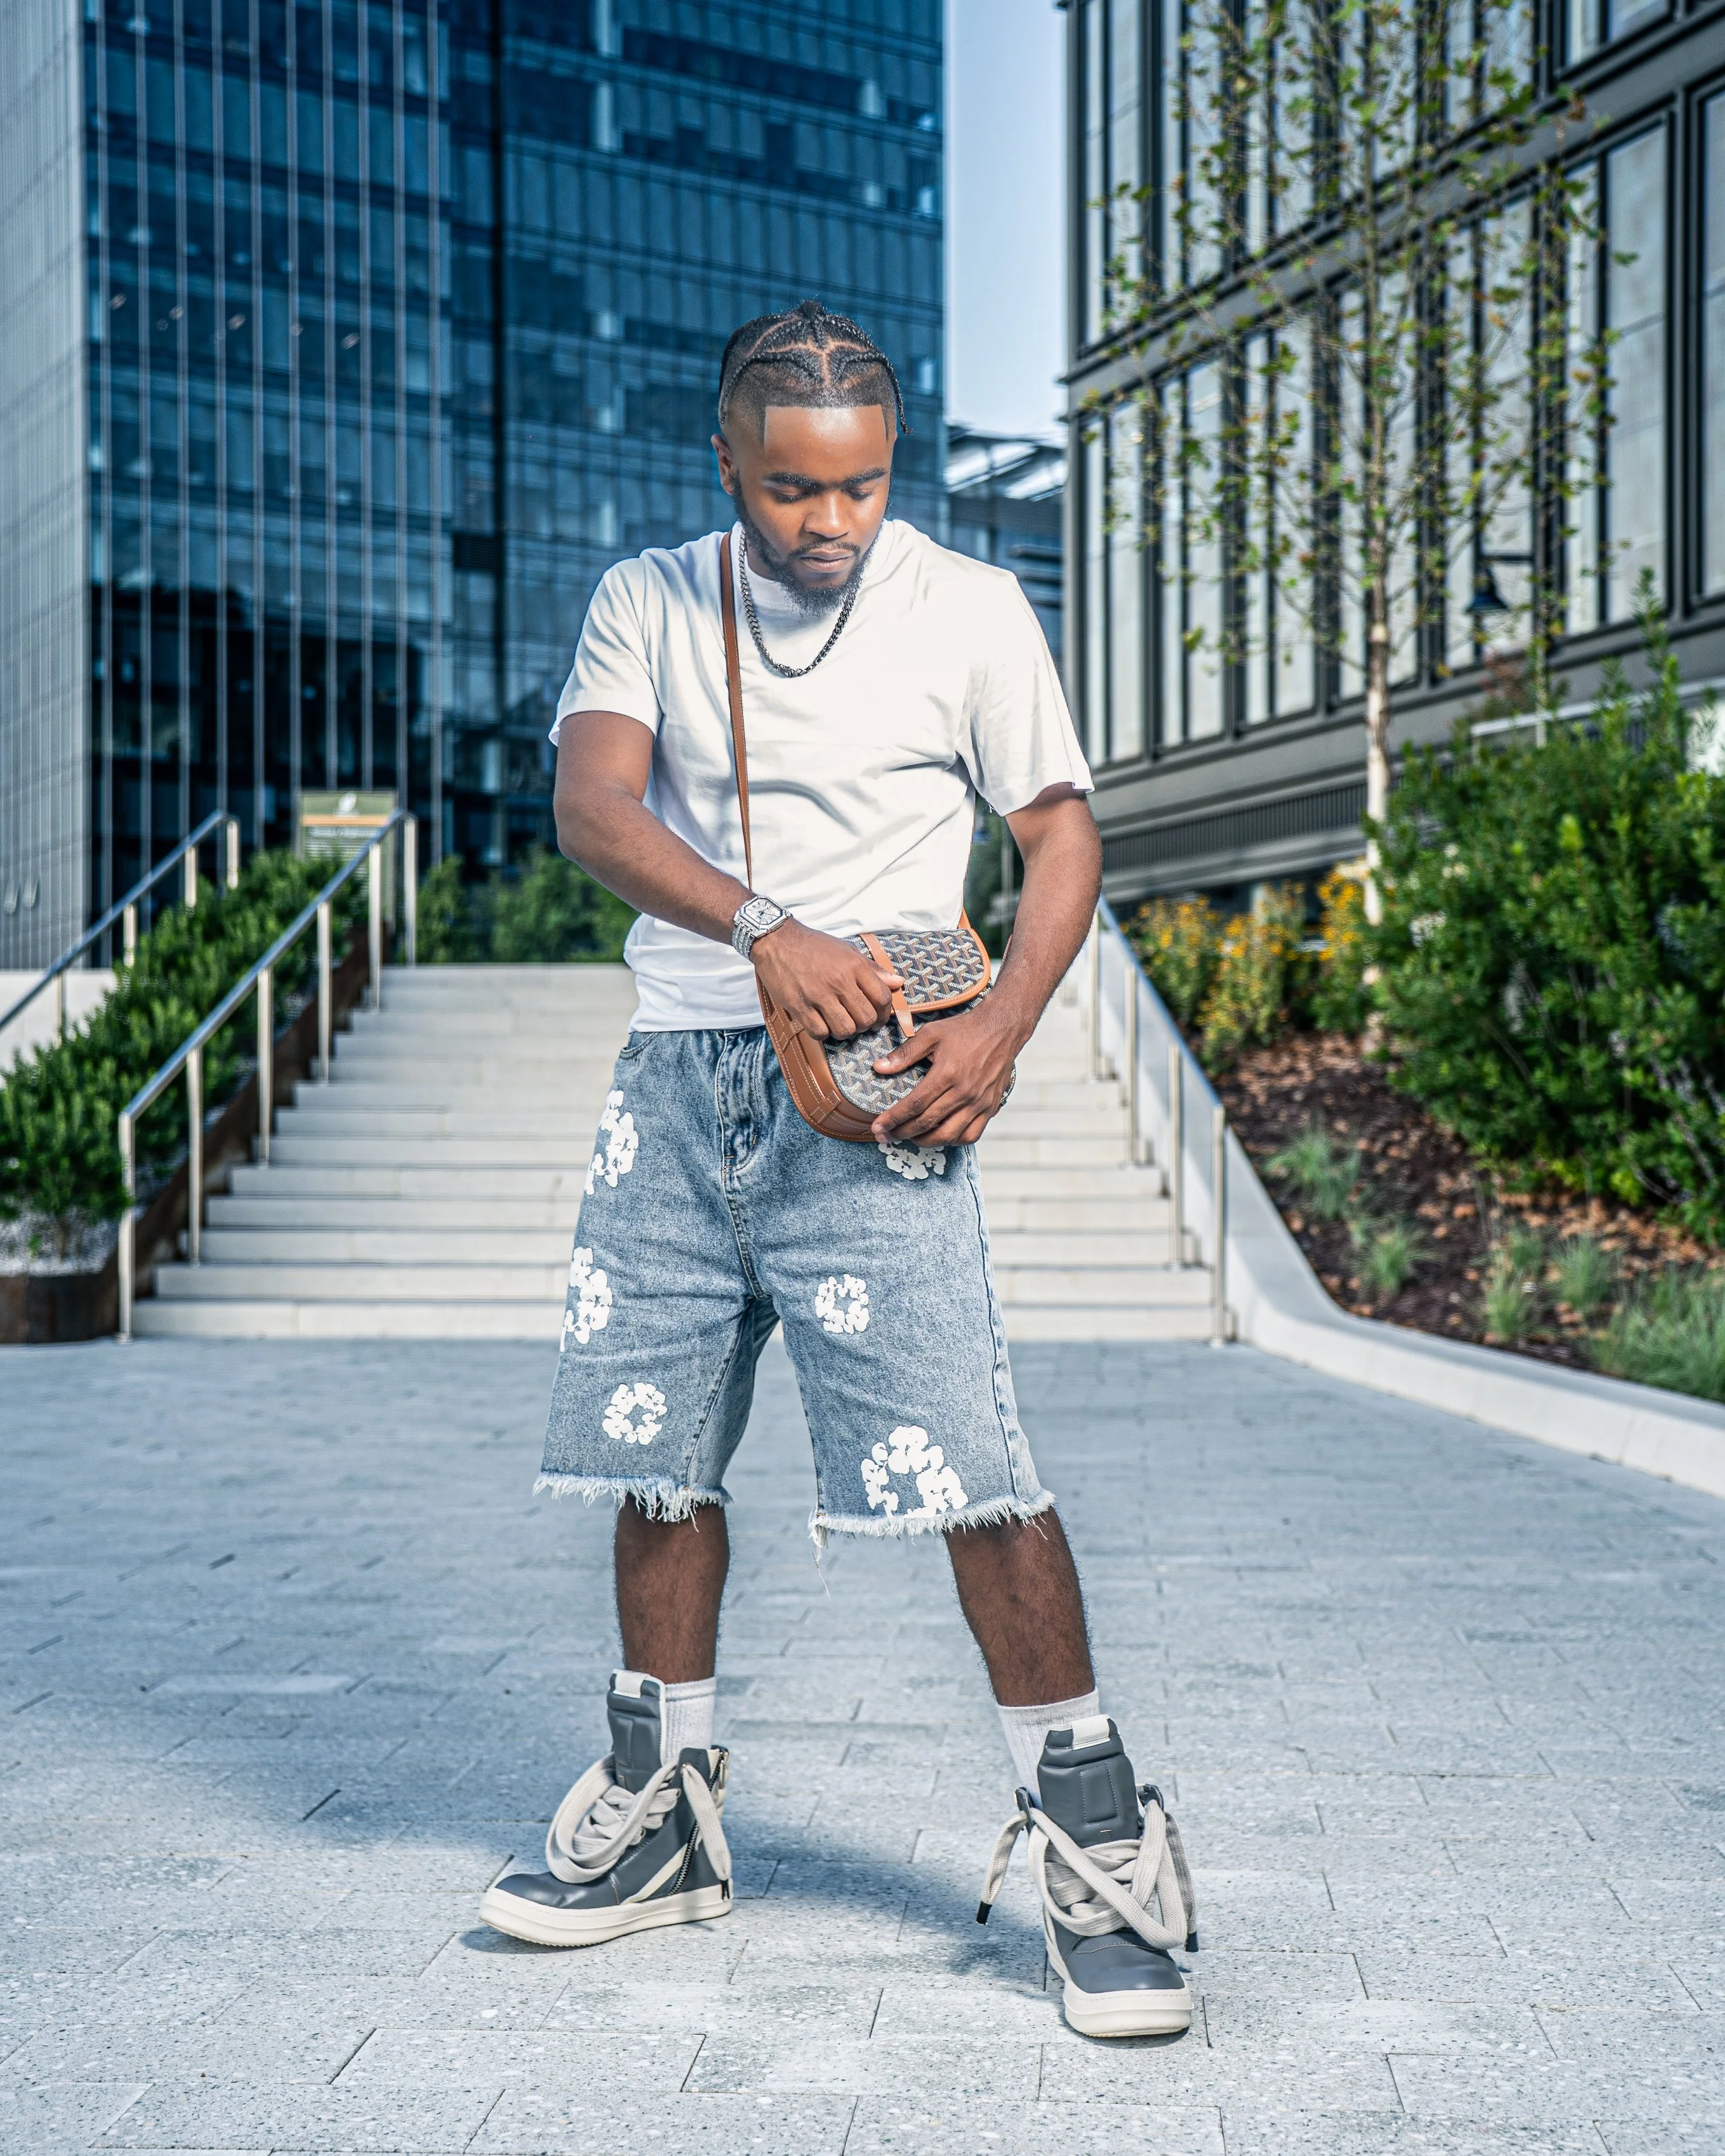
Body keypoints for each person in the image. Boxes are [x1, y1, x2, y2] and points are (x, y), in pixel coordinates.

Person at [478, 299, 1194, 2037]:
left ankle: (1105, 1846)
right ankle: (658, 1813)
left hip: (874, 1092)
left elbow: (1056, 831)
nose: (829, 524)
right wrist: (758, 925)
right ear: (726, 462)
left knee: (972, 1469)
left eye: (861, 487)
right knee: (655, 1462)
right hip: (677, 1083)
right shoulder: (647, 599)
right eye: (792, 490)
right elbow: (592, 808)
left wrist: (1004, 1026)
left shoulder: (965, 606)